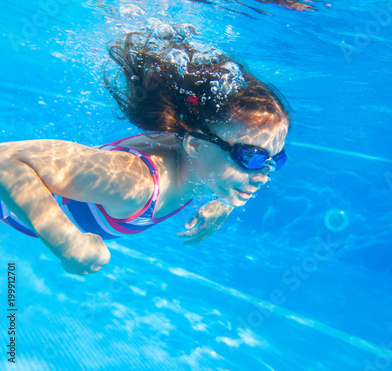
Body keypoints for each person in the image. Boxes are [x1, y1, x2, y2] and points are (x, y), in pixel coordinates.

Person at [0, 30, 290, 276]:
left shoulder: (199, 160)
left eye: (276, 159)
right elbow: (6, 160)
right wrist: (67, 244)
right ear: (195, 146)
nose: (265, 175)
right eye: (250, 157)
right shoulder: (135, 184)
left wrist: (224, 201)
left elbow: (220, 166)